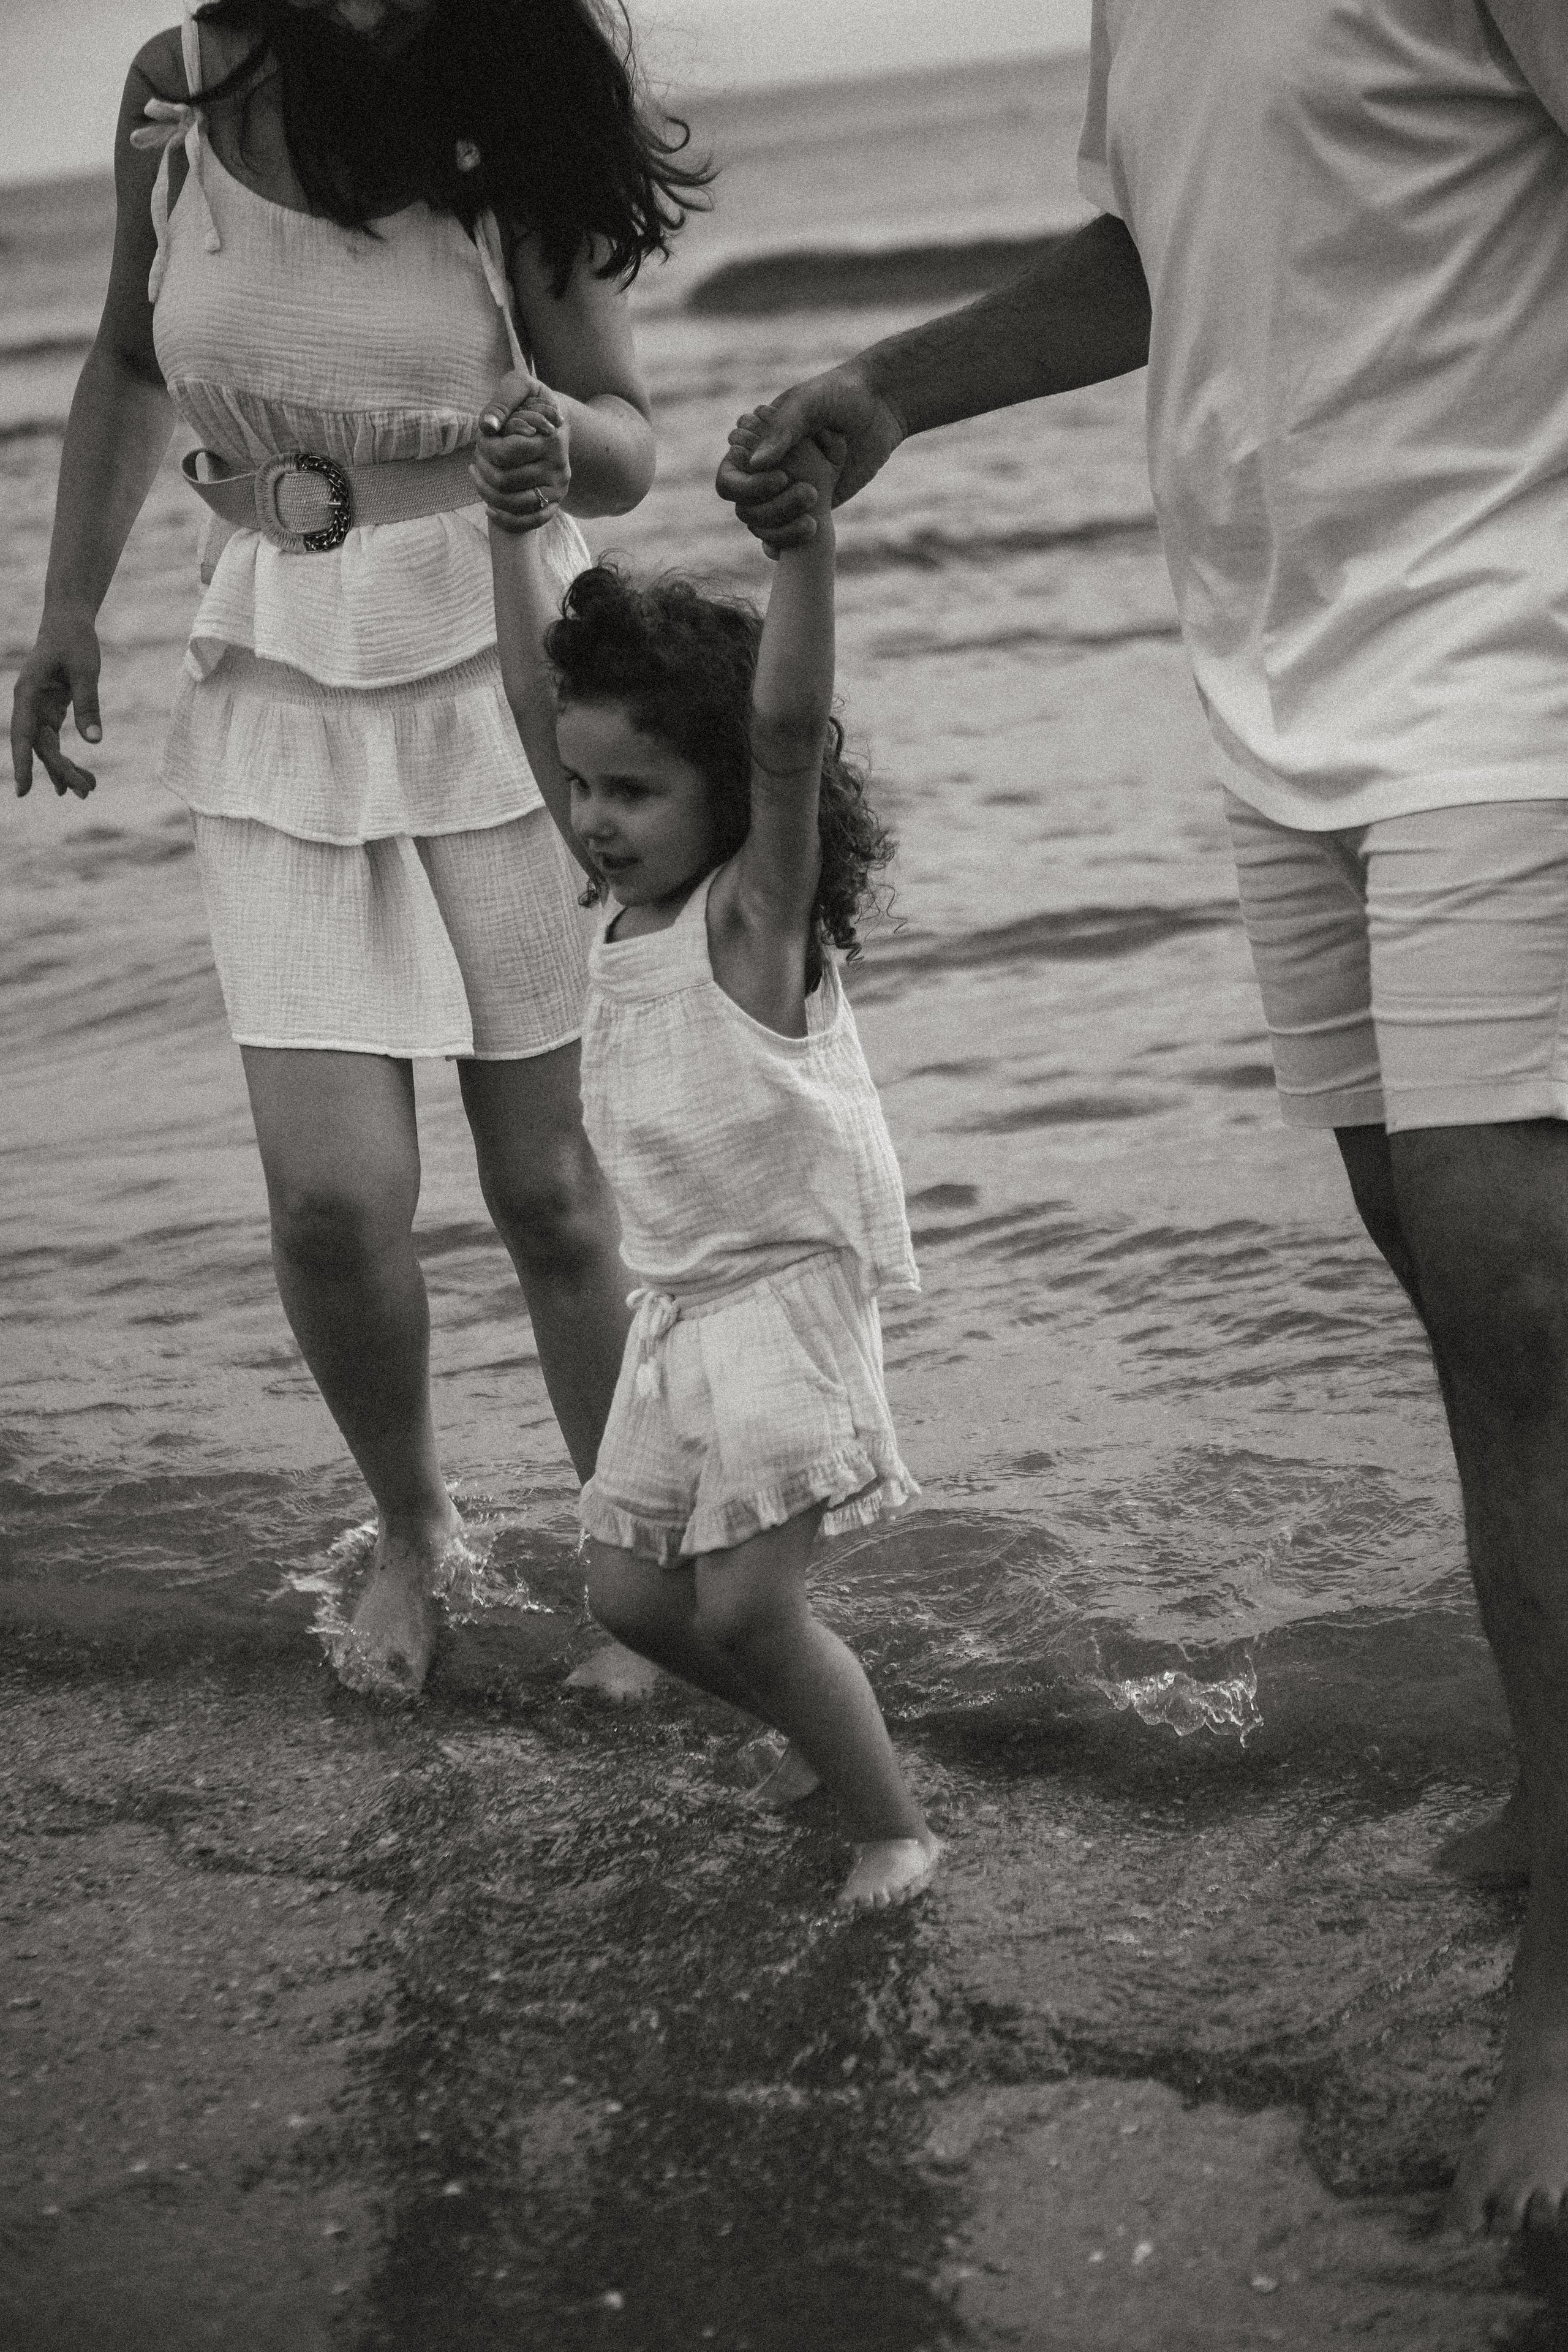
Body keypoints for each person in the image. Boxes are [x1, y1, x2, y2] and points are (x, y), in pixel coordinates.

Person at [715, 0, 1568, 2236]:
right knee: (1460, 1300)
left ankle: (1564, 2010)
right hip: (1287, 689)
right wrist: (893, 384)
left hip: (1520, 653)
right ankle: (1545, 1798)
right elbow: (1167, 244)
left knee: (1518, 1283)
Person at [9, 0, 707, 1697]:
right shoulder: (176, 89)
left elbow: (627, 432)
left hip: (492, 669)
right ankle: (415, 1527)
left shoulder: (509, 101)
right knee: (332, 1204)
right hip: (268, 674)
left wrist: (563, 440)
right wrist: (65, 614)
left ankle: (648, 1569)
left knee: (548, 1190)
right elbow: (123, 362)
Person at [478, 391, 940, 1907]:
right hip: (677, 1312)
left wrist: (803, 554)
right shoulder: (622, 909)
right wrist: (506, 533)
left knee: (745, 1610)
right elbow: (518, 696)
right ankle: (823, 1728)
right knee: (630, 1593)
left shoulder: (750, 922)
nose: (595, 821)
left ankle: (893, 1826)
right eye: (582, 790)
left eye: (633, 791)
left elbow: (788, 736)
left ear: (719, 798)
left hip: (782, 1304)